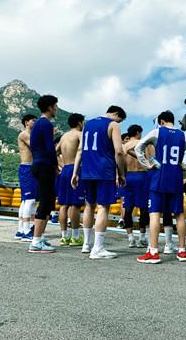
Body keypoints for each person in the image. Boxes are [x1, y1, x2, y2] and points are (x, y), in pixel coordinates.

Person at [135, 111, 186, 264]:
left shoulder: (157, 132)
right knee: (179, 214)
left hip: (159, 178)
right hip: (176, 178)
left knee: (154, 214)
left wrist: (147, 165)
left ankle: (153, 252)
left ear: (162, 121)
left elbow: (139, 148)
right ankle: (182, 251)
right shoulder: (183, 135)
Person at [72, 106, 127, 259]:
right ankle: (98, 248)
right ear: (116, 114)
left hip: (87, 170)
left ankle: (86, 244)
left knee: (89, 206)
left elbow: (80, 150)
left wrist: (75, 172)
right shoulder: (113, 125)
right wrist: (121, 173)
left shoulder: (88, 124)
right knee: (103, 207)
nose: (119, 123)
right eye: (120, 120)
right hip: (104, 171)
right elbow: (119, 151)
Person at [27, 95, 59, 253]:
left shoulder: (38, 124)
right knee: (46, 202)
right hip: (45, 165)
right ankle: (35, 242)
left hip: (38, 164)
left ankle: (39, 238)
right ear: (50, 107)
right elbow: (50, 148)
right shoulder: (46, 124)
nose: (57, 109)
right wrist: (56, 165)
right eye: (55, 106)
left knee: (47, 202)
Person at [55, 113, 85, 247]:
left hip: (65, 169)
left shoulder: (63, 137)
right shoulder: (80, 135)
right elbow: (81, 152)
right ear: (79, 122)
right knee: (75, 204)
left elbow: (54, 153)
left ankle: (64, 237)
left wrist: (58, 167)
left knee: (63, 204)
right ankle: (75, 237)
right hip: (75, 169)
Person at [119, 124, 151, 247]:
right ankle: (142, 237)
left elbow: (119, 162)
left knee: (128, 208)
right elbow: (150, 160)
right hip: (142, 176)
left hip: (128, 176)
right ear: (138, 133)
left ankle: (130, 238)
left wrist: (120, 176)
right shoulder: (144, 144)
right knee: (144, 208)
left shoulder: (124, 146)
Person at [15, 114, 38, 241]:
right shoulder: (24, 134)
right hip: (27, 168)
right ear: (26, 122)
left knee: (26, 200)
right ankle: (26, 231)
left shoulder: (30, 135)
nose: (35, 122)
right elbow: (36, 147)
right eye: (33, 121)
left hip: (30, 168)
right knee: (29, 200)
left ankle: (20, 230)